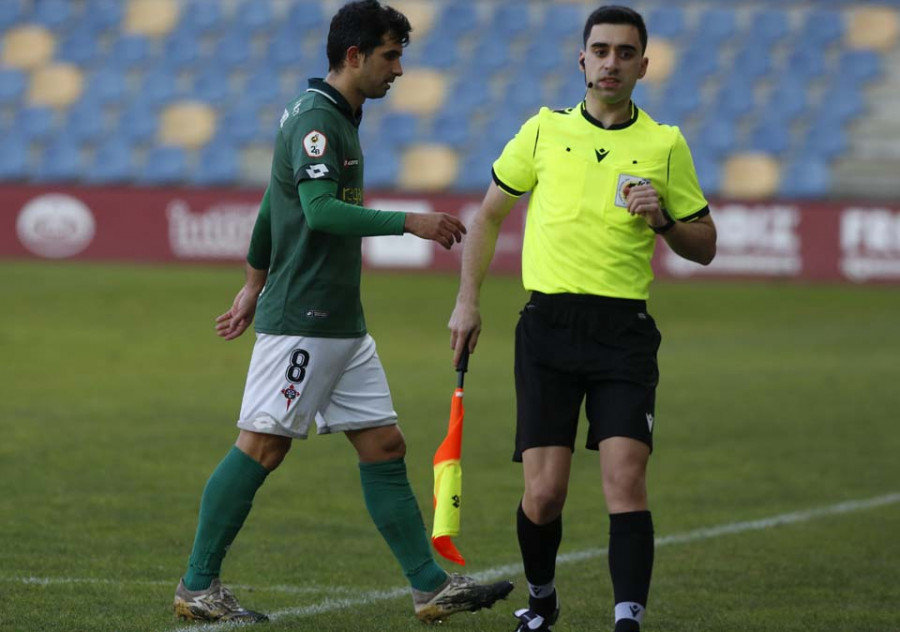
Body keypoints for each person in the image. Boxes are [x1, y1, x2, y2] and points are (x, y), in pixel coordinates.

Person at [173, 0, 513, 624]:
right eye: (390, 55)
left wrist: (250, 282)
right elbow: (319, 212)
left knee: (384, 444)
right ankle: (198, 586)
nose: (400, 70)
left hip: (339, 321)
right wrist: (409, 220)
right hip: (304, 316)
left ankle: (429, 587)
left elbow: (271, 207)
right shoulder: (316, 121)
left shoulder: (338, 116)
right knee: (261, 446)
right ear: (354, 55)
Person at [448, 6, 717, 632]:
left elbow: (704, 244)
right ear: (582, 60)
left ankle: (627, 621)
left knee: (625, 481)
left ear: (643, 66)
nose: (611, 63)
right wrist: (467, 300)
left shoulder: (665, 143)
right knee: (544, 496)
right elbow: (487, 215)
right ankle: (543, 602)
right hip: (547, 329)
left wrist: (665, 223)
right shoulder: (542, 132)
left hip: (623, 334)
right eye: (601, 51)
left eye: (626, 53)